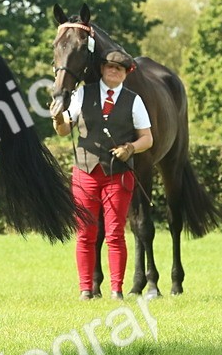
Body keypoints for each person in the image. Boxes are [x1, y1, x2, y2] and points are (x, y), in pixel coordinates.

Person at [52, 49, 153, 300]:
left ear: (126, 73)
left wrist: (130, 148)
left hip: (118, 175)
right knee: (85, 233)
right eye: (109, 66)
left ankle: (116, 290)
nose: (113, 71)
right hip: (85, 172)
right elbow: (65, 129)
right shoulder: (82, 94)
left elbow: (147, 139)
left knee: (115, 234)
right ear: (101, 69)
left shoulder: (134, 100)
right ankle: (86, 288)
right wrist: (56, 119)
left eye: (119, 68)